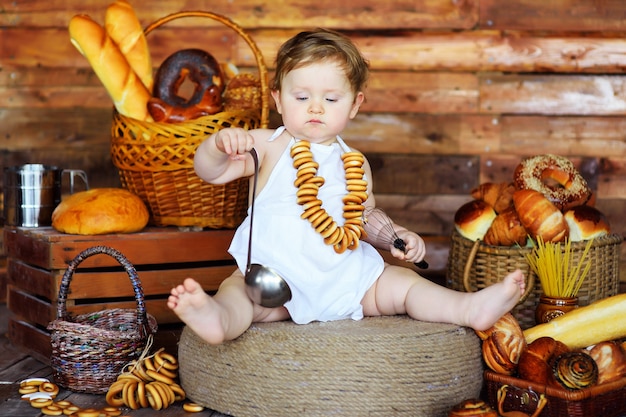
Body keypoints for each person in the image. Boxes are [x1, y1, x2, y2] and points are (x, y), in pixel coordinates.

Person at [167, 28, 525, 345]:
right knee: (239, 294)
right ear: (278, 99)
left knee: (401, 285)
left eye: (331, 99)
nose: (316, 108)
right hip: (276, 278)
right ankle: (218, 319)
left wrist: (396, 235)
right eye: (301, 97)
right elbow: (210, 172)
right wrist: (216, 147)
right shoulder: (268, 145)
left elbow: (364, 217)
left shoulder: (354, 162)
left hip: (347, 278)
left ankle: (467, 308)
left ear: (355, 104)